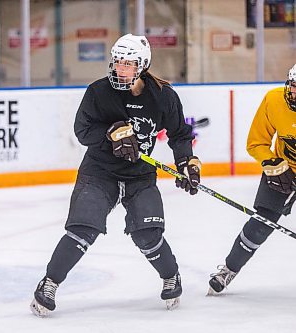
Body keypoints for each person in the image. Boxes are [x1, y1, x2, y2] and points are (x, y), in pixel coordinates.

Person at [30, 34, 201, 317]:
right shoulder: (99, 92)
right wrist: (110, 132)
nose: (120, 68)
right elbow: (82, 131)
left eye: (128, 63)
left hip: (140, 176)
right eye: (117, 61)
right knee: (82, 230)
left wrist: (186, 162)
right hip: (99, 172)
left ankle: (171, 276)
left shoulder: (162, 96)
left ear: (142, 65)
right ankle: (49, 283)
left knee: (148, 234)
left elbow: (179, 134)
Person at [208, 64, 296, 295]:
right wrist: (270, 162)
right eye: (294, 86)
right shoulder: (274, 100)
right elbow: (256, 143)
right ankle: (229, 269)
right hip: (283, 170)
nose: (294, 93)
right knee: (260, 225)